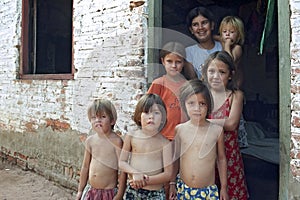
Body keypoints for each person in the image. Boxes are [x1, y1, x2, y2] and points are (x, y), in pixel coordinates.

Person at [169, 79, 228, 200]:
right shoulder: (180, 130)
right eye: (191, 103)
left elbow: (221, 159)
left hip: (208, 192)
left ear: (208, 106)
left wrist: (224, 187)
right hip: (184, 189)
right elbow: (175, 158)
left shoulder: (216, 131)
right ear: (184, 104)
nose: (197, 108)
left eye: (202, 103)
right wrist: (172, 183)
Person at [202, 51, 249, 199]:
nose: (215, 76)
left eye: (221, 72)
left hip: (229, 155)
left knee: (230, 192)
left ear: (230, 75)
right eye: (211, 71)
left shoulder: (235, 96)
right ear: (205, 72)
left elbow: (231, 124)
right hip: (205, 154)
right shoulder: (202, 95)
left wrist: (203, 121)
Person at [119, 93, 173, 199]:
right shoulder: (132, 135)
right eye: (146, 112)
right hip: (133, 190)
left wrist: (144, 180)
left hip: (155, 193)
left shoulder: (165, 143)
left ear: (163, 117)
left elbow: (168, 174)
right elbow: (122, 162)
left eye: (156, 113)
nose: (151, 117)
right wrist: (135, 173)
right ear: (139, 116)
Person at [76, 99, 127, 200]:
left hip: (108, 193)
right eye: (94, 117)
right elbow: (85, 167)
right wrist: (80, 190)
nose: (97, 120)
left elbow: (123, 171)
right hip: (91, 190)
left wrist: (120, 194)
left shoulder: (116, 142)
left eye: (103, 117)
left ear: (112, 120)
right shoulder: (90, 141)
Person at [147, 41, 188, 141]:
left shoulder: (188, 86)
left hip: (184, 137)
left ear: (184, 63)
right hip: (162, 136)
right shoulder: (159, 84)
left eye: (178, 62)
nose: (174, 66)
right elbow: (147, 108)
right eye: (169, 61)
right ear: (163, 61)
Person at [185, 6, 222, 79]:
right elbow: (194, 82)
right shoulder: (189, 52)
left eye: (204, 23)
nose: (200, 27)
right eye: (195, 24)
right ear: (191, 30)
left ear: (212, 25)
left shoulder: (223, 46)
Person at [214, 15, 245, 87]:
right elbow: (214, 37)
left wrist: (227, 44)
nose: (227, 34)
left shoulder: (237, 48)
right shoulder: (222, 40)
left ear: (239, 35)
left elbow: (228, 60)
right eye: (224, 31)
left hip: (234, 82)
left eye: (231, 32)